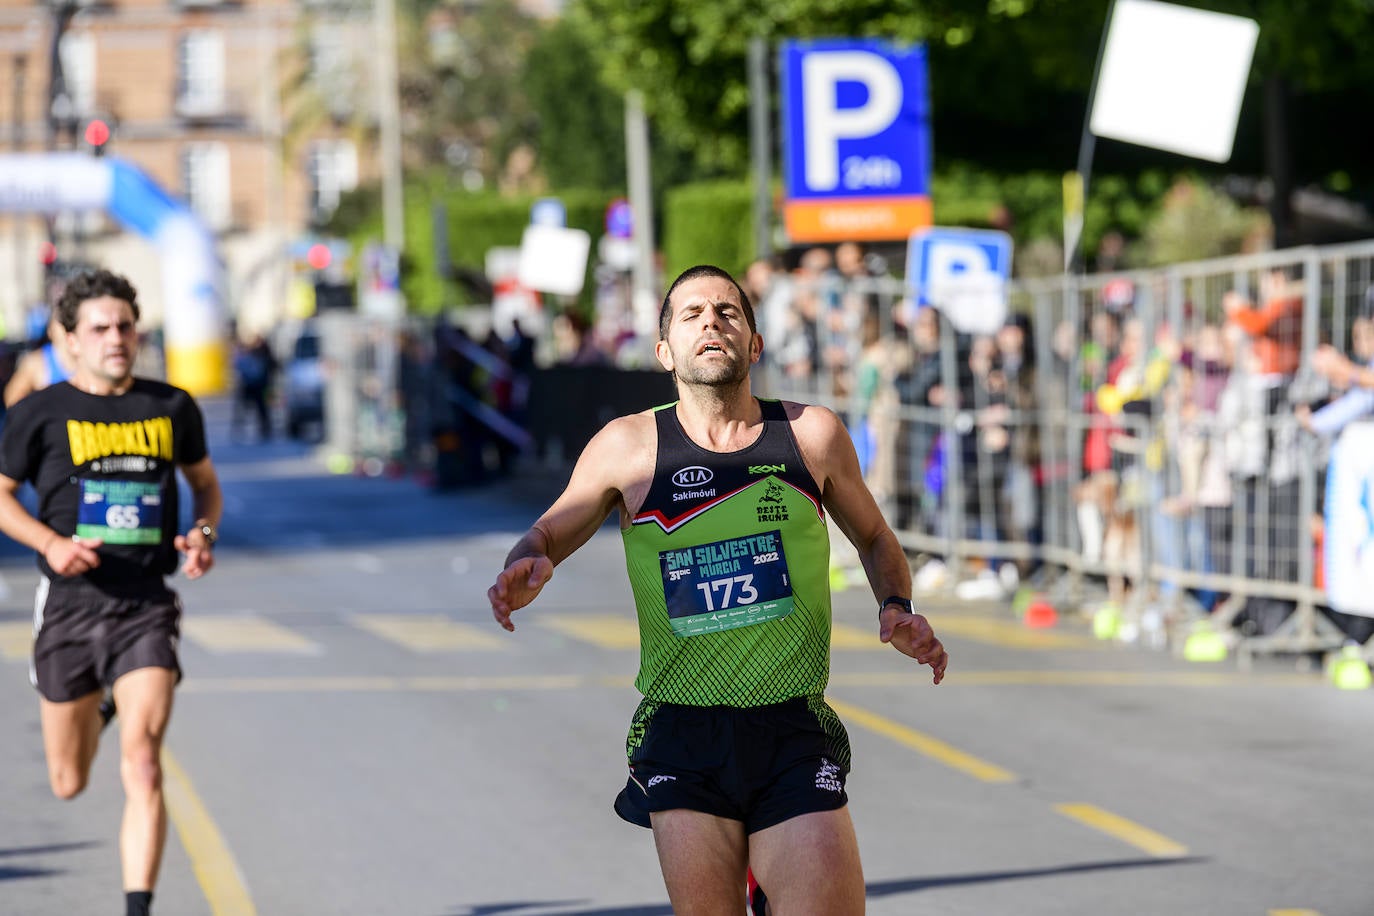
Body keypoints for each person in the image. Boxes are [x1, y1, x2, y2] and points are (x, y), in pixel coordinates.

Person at [487, 264, 947, 915]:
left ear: (754, 344)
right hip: (682, 731)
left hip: (790, 725)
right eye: (692, 314)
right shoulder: (629, 448)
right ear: (665, 350)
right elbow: (547, 532)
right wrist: (527, 563)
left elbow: (874, 537)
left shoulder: (810, 436)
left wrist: (896, 606)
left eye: (728, 312)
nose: (711, 322)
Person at [0, 269, 223, 916]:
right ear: (66, 339)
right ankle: (95, 711)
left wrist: (202, 534)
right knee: (68, 782)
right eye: (99, 328)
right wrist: (49, 545)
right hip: (69, 605)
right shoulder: (36, 414)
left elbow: (205, 486)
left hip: (145, 603)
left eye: (125, 326)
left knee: (144, 765)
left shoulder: (172, 406)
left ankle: (136, 909)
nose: (115, 338)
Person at [4, 312, 75, 407]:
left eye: (70, 323)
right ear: (50, 330)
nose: (66, 329)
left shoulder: (88, 359)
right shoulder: (36, 362)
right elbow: (12, 400)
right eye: (62, 323)